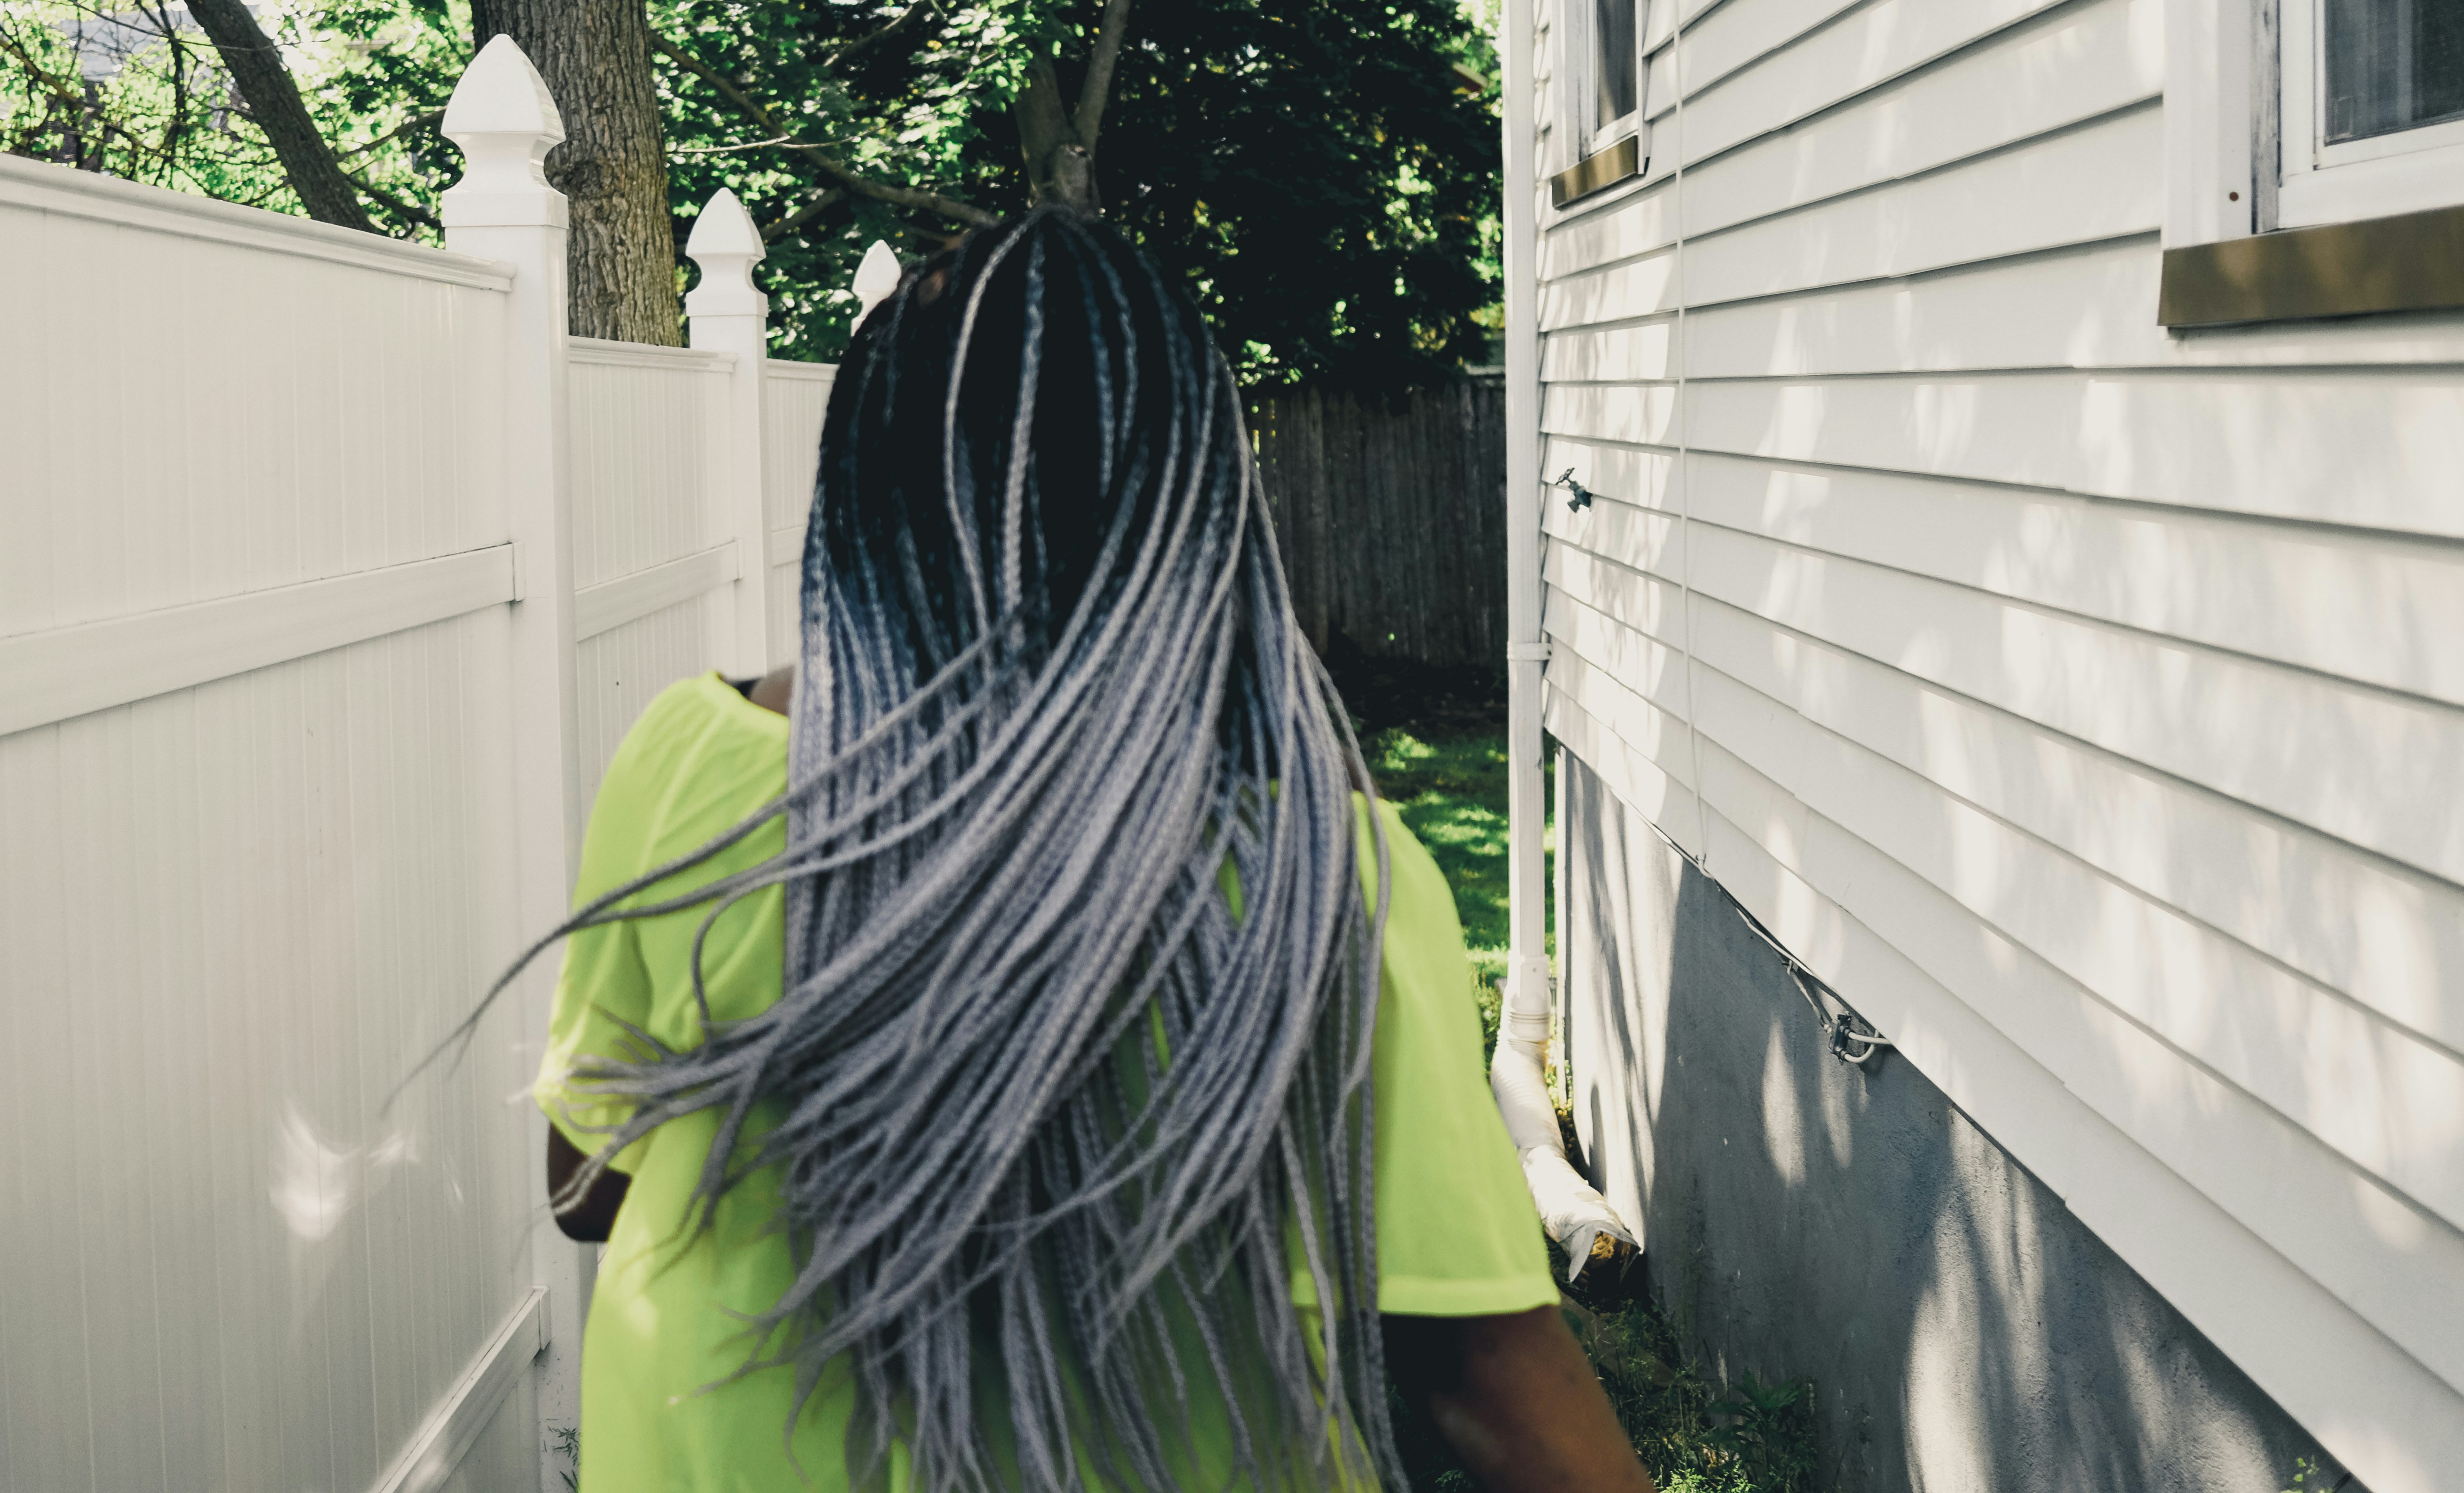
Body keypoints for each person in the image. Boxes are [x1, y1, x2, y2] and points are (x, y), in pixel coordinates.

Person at [525, 209, 1650, 1493]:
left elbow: (585, 1190)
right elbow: (1482, 1377)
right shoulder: (1325, 874)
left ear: (864, 494)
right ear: (1193, 502)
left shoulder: (694, 767)